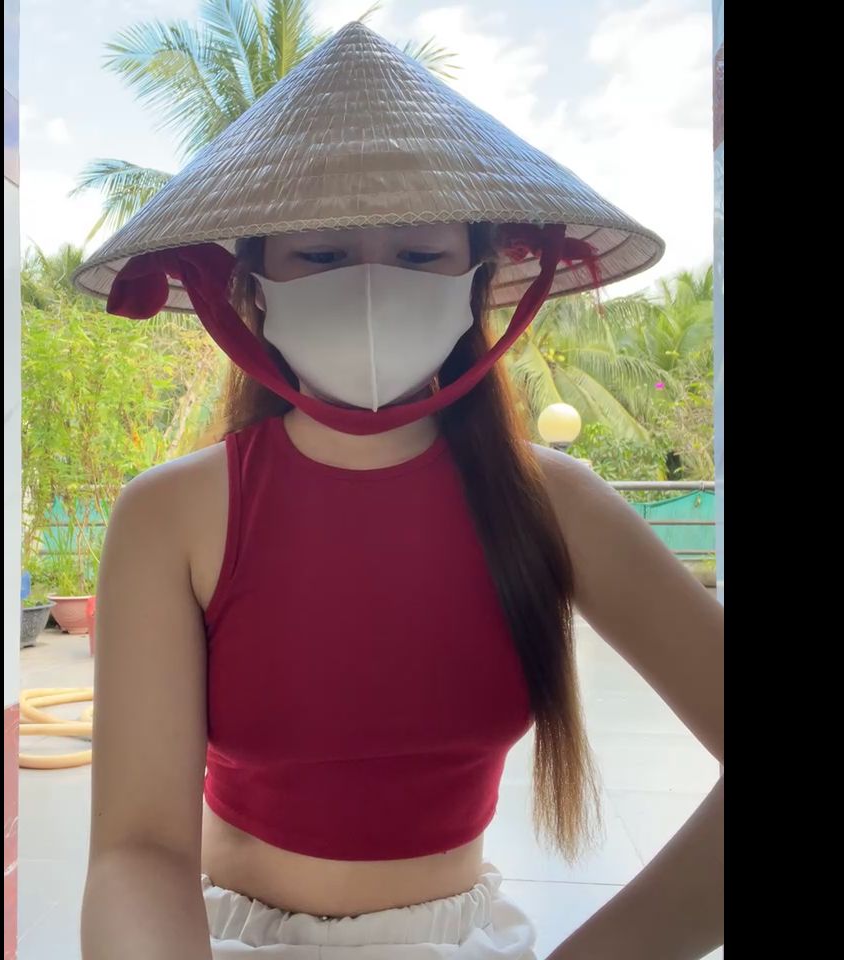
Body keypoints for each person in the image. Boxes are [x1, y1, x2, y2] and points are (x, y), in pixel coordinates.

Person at [75, 21, 723, 960]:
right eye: (322, 255)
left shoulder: (559, 505)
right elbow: (137, 850)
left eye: (419, 255)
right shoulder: (170, 516)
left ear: (477, 282)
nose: (373, 285)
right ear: (251, 287)